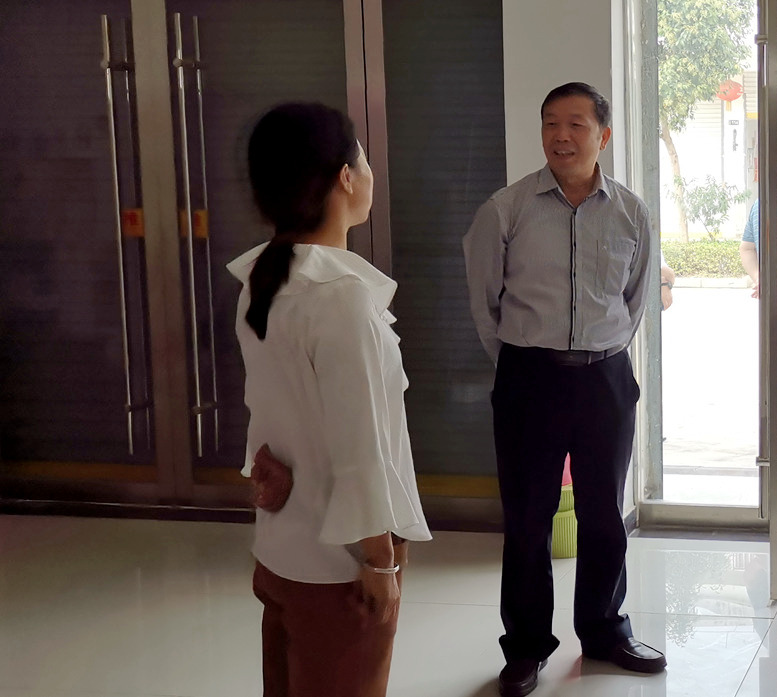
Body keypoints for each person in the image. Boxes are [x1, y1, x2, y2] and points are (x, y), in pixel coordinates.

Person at [463, 82, 665, 696]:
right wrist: (525, 360)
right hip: (529, 379)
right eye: (551, 122)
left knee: (604, 512)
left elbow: (634, 299)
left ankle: (603, 631)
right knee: (528, 518)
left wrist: (601, 351)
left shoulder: (630, 212)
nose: (561, 135)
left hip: (605, 379)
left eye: (576, 123)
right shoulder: (506, 209)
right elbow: (485, 303)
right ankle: (526, 647)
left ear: (604, 135)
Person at [227, 102, 431, 697]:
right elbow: (360, 447)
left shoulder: (263, 281)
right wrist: (379, 560)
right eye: (362, 160)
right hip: (339, 564)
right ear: (344, 177)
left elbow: (269, 417)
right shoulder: (339, 298)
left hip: (282, 545)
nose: (369, 173)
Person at [739, 158, 777, 417]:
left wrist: (763, 278)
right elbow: (748, 247)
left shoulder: (768, 207)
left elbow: (747, 248)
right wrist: (763, 277)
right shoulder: (768, 209)